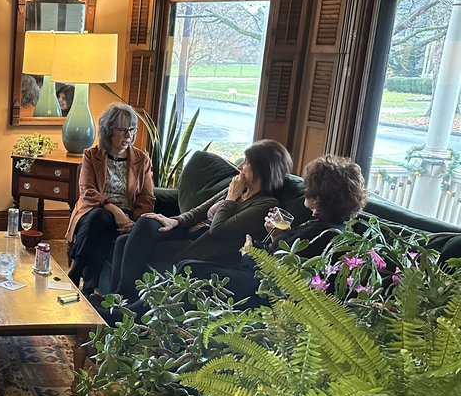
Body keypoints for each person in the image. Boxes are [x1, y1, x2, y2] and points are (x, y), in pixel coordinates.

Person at [103, 155, 367, 325]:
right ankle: (125, 307)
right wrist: (277, 236)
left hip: (259, 285)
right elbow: (286, 256)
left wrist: (252, 252)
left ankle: (130, 316)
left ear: (320, 196)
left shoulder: (324, 233)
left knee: (189, 269)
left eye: (311, 187)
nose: (306, 191)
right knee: (155, 246)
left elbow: (279, 273)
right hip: (252, 272)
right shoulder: (322, 225)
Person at [105, 139, 292, 305]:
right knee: (144, 225)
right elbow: (198, 211)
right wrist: (175, 221)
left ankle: (122, 301)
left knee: (124, 242)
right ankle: (117, 298)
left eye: (247, 162)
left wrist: (231, 198)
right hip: (190, 232)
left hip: (203, 247)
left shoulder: (264, 204)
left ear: (262, 170)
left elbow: (218, 230)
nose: (241, 166)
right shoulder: (240, 187)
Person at [65, 103, 155, 296]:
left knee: (101, 226)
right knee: (100, 217)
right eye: (122, 130)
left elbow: (146, 197)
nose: (128, 135)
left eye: (132, 130)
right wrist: (115, 210)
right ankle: (87, 283)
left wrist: (133, 222)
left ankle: (77, 272)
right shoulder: (92, 155)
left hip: (127, 216)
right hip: (93, 209)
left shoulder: (142, 160)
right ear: (108, 131)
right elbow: (87, 191)